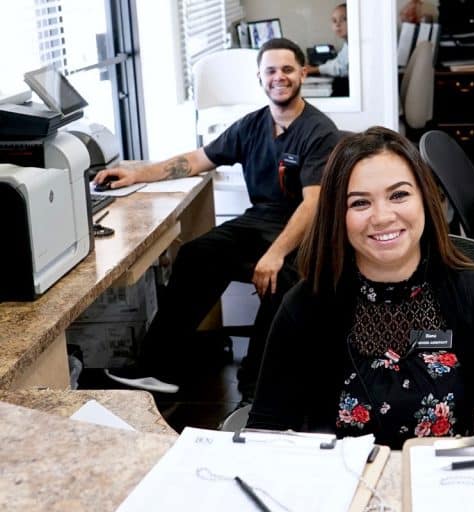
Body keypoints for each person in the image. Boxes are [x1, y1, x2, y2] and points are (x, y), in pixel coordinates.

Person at [247, 126, 474, 448]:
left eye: (398, 195)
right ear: (338, 214)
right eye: (360, 203)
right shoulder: (305, 306)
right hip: (341, 477)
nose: (382, 217)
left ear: (426, 199)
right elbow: (266, 431)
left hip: (452, 475)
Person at [95, 38, 340, 401]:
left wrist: (274, 254)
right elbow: (197, 160)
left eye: (288, 69)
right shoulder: (252, 126)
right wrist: (137, 174)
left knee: (283, 279)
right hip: (259, 222)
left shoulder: (319, 131)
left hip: (306, 231)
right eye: (271, 71)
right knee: (197, 254)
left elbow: (314, 204)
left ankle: (257, 386)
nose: (279, 77)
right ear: (260, 77)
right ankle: (157, 368)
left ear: (303, 73)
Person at [306, 4, 349, 97]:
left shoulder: (356, 45)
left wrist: (315, 69)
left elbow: (341, 68)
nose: (338, 24)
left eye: (344, 19)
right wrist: (315, 68)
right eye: (334, 21)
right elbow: (339, 61)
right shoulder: (348, 43)